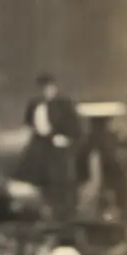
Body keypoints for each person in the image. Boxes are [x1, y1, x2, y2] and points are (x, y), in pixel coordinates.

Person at [18, 74, 82, 220]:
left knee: (60, 176)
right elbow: (29, 123)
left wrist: (64, 138)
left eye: (48, 88)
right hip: (40, 143)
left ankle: (65, 209)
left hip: (59, 143)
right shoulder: (34, 104)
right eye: (42, 88)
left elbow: (74, 127)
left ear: (54, 88)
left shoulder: (64, 104)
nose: (45, 91)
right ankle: (45, 207)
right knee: (37, 176)